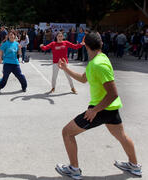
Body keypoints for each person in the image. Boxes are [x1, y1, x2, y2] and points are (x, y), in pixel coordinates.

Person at [55, 32, 141, 179]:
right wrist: (66, 69)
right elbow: (83, 79)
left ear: (86, 46)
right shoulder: (98, 59)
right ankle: (134, 166)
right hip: (110, 108)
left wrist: (95, 110)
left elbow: (113, 93)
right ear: (101, 44)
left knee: (67, 132)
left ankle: (74, 169)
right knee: (121, 136)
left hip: (101, 109)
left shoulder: (98, 64)